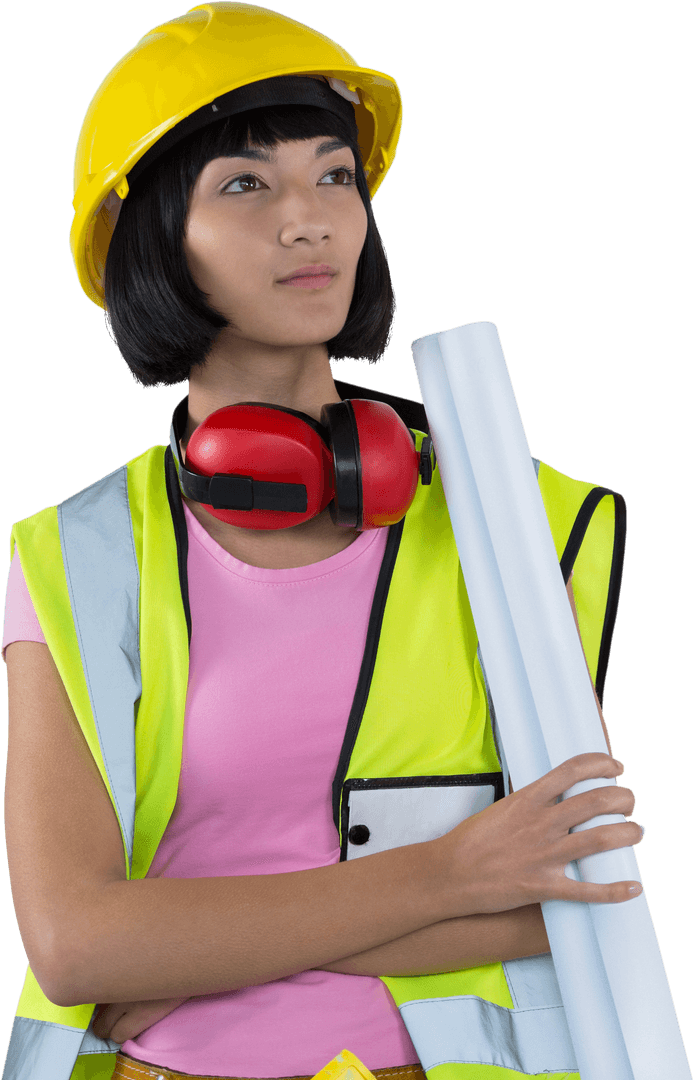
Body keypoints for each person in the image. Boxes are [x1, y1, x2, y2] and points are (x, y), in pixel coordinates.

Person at [1, 5, 644, 1080]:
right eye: (245, 185)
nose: (311, 221)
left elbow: (572, 894)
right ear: (154, 236)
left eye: (334, 175)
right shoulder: (80, 556)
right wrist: (450, 875)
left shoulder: (508, 516)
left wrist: (189, 950)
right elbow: (74, 946)